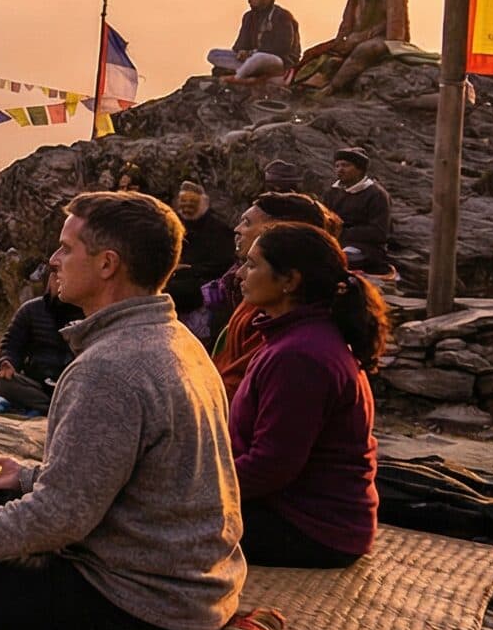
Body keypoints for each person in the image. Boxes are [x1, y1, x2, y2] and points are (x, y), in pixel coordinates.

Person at [0, 192, 244, 630]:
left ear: (107, 264)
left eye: (66, 248)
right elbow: (126, 475)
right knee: (3, 497)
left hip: (142, 605)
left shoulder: (109, 369)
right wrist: (26, 477)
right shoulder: (177, 339)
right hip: (196, 585)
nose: (53, 259)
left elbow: (56, 520)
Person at [229, 225, 388, 568]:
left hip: (311, 528)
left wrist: (195, 490)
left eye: (253, 265)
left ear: (290, 281)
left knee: (146, 527)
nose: (240, 273)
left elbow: (272, 466)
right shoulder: (296, 339)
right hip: (298, 513)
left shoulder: (301, 356)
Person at [206, 192, 344, 395]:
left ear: (277, 230)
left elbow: (242, 386)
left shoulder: (293, 345)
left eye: (247, 222)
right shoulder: (263, 296)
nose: (237, 229)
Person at [293, 0, 411, 95]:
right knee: (317, 52)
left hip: (383, 39)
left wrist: (364, 37)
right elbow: (346, 22)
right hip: (356, 36)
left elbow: (395, 24)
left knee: (363, 50)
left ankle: (332, 87)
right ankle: (305, 83)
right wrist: (340, 40)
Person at [0, 274, 82, 414]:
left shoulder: (89, 313)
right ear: (50, 282)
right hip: (37, 383)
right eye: (56, 278)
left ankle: (60, 406)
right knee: (2, 382)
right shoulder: (31, 310)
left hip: (73, 383)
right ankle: (53, 408)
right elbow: (11, 343)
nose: (60, 283)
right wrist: (7, 361)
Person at [164, 183, 238, 337]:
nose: (187, 207)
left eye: (192, 202)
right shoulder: (176, 225)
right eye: (184, 202)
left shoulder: (218, 230)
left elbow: (223, 263)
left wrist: (191, 269)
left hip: (202, 289)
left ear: (202, 203)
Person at [207, 0, 303, 87]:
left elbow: (283, 48)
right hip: (251, 59)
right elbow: (240, 44)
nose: (249, 1)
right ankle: (250, 72)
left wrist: (252, 53)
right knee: (214, 54)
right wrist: (241, 52)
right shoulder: (249, 17)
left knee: (259, 57)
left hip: (278, 61)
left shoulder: (282, 16)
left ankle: (237, 78)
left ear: (267, 0)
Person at [326, 149, 394, 275]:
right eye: (337, 166)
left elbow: (379, 232)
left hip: (365, 248)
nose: (340, 169)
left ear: (360, 169)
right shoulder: (332, 192)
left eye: (346, 165)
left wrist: (341, 232)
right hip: (335, 242)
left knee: (336, 260)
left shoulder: (376, 195)